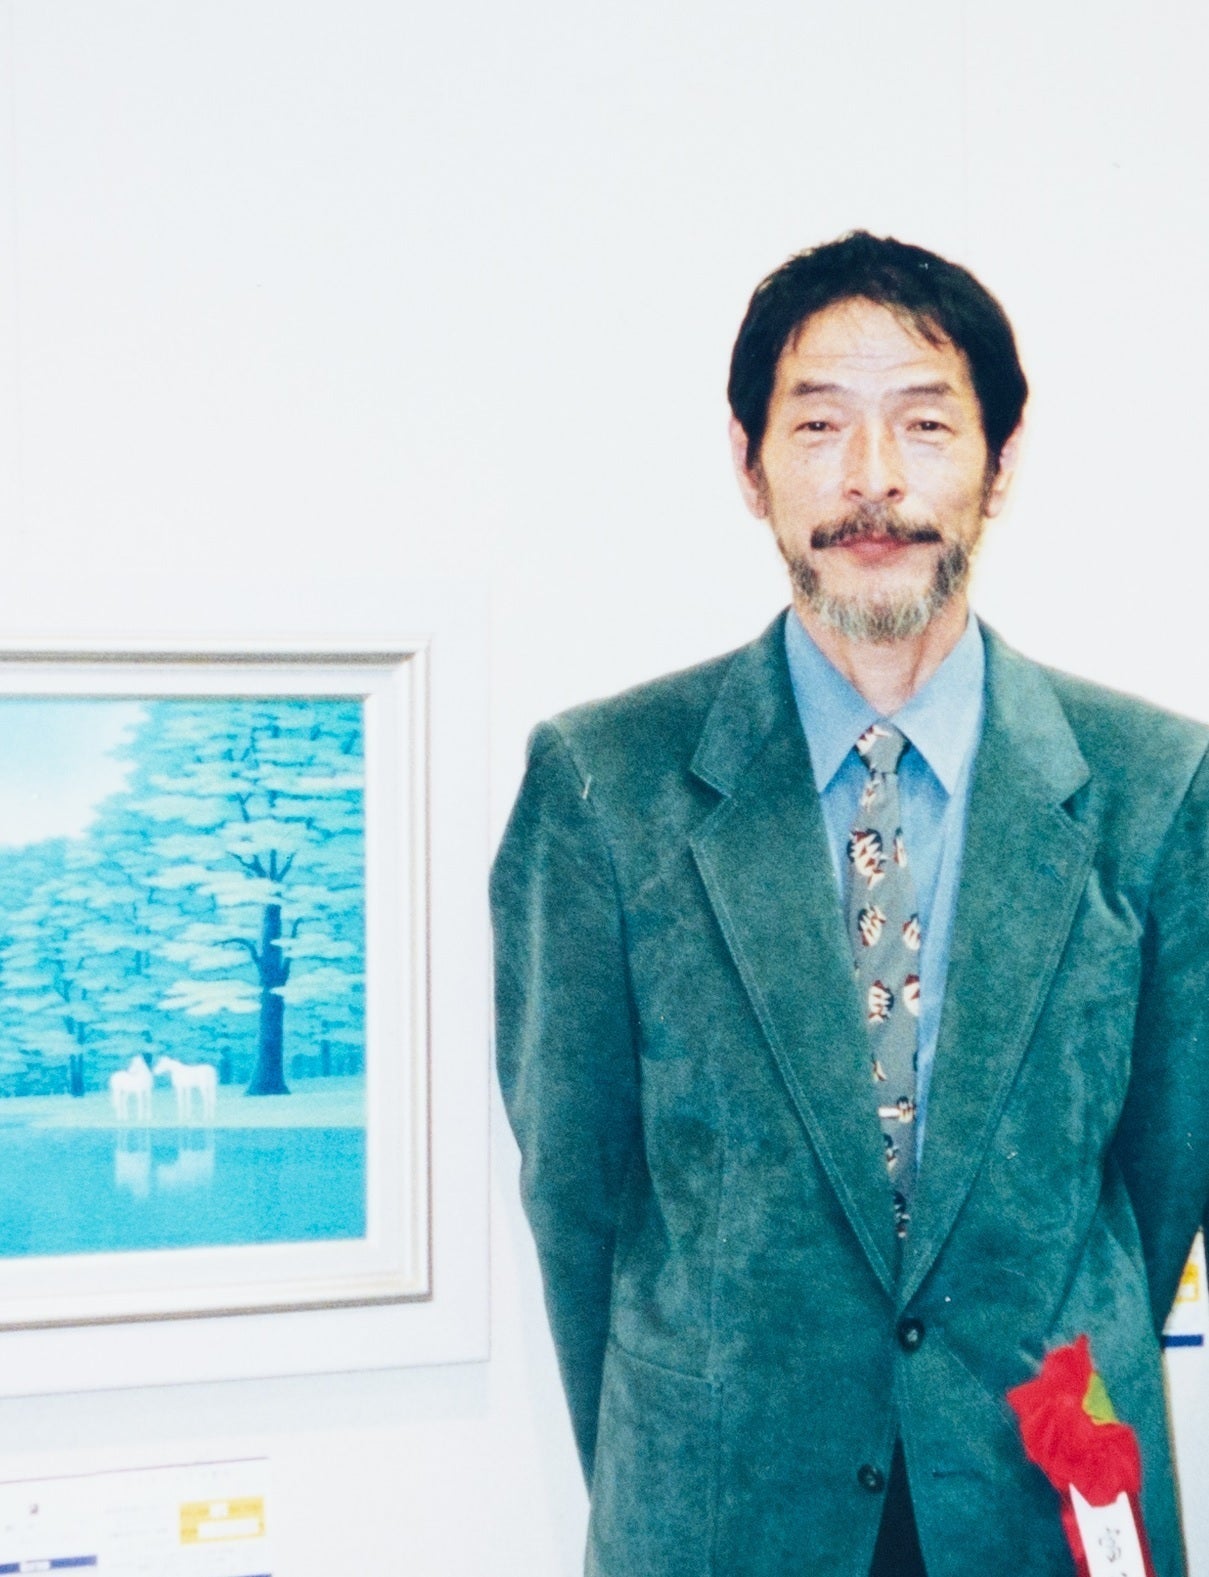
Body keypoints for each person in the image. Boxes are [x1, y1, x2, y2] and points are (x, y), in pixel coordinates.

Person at [491, 231, 1209, 1576]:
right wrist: (685, 1437)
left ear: (1000, 463)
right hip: (725, 1516)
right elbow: (575, 1201)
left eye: (925, 424)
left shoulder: (1156, 788)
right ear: (747, 461)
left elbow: (1158, 1184)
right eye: (818, 424)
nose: (871, 479)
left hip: (1037, 1506)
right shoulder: (604, 787)